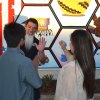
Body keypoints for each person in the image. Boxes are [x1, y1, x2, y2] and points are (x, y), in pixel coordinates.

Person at [0, 22, 42, 100]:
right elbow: (37, 84)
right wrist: (35, 65)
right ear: (22, 40)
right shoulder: (25, 62)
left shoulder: (1, 59)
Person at [54, 30, 96, 100]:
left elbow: (67, 97)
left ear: (76, 45)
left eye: (71, 41)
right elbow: (72, 59)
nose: (70, 44)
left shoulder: (70, 69)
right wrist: (64, 48)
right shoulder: (89, 62)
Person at [21, 18, 47, 100]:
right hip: (19, 79)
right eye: (29, 27)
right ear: (25, 27)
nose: (31, 30)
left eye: (34, 28)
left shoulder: (39, 43)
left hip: (32, 78)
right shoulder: (17, 41)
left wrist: (41, 51)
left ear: (36, 30)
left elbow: (43, 61)